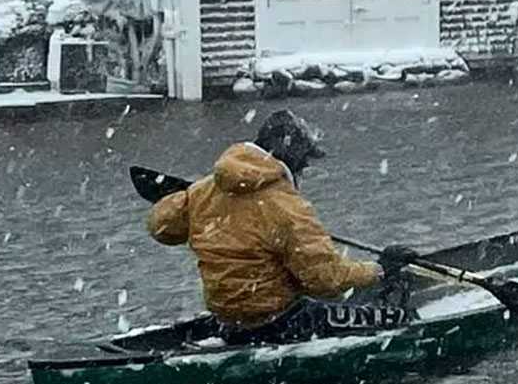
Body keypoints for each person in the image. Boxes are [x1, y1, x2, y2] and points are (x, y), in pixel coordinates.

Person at [147, 109, 421, 343]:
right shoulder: (287, 207)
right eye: (303, 164)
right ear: (290, 153)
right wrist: (381, 268)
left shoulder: (205, 189)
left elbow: (162, 228)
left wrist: (187, 200)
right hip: (280, 323)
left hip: (230, 321)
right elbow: (325, 280)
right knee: (402, 318)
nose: (302, 172)